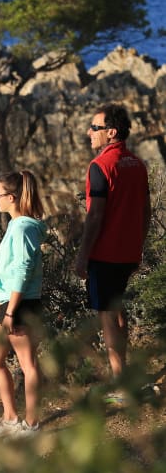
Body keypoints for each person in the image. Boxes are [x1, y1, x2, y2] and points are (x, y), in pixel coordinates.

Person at [74, 104, 150, 387]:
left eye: (94, 128)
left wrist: (82, 257)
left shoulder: (100, 166)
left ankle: (120, 384)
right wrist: (138, 247)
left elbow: (95, 216)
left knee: (107, 316)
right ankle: (124, 374)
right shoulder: (137, 164)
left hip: (105, 253)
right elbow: (146, 211)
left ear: (111, 132)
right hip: (128, 252)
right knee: (118, 312)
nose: (89, 132)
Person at [0, 170, 46, 439]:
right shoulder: (17, 225)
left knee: (27, 364)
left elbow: (22, 269)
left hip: (18, 304)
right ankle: (11, 418)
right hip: (9, 302)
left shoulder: (22, 228)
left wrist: (10, 309)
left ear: (11, 197)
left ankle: (31, 425)